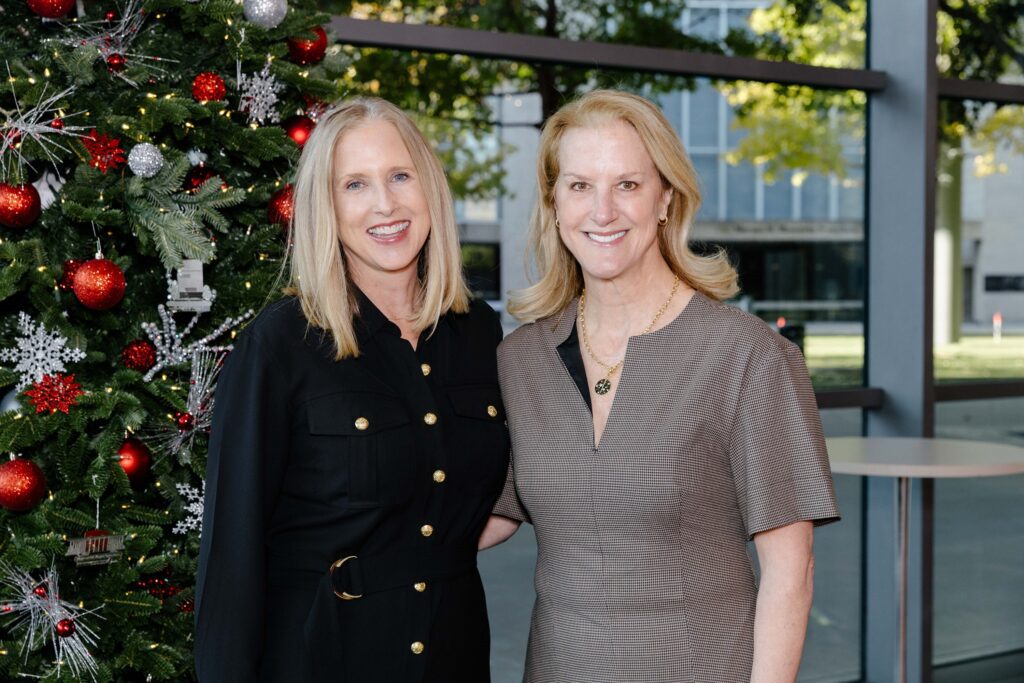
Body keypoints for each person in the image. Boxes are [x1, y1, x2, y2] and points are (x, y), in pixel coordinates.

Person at [479, 89, 840, 682]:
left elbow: (790, 569)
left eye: (628, 185)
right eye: (579, 186)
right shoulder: (522, 359)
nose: (603, 211)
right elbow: (493, 511)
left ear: (666, 197)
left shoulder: (747, 356)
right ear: (553, 201)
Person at [195, 97, 510, 682]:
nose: (385, 204)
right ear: (327, 207)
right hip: (319, 658)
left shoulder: (480, 333)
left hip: (454, 656)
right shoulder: (280, 346)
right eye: (355, 185)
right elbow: (232, 559)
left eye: (399, 176)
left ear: (429, 187)